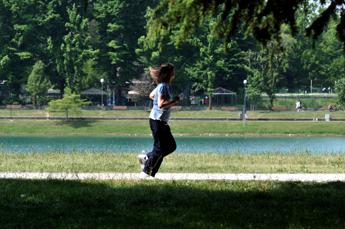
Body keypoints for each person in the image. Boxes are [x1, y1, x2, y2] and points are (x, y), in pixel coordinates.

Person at [138, 63, 179, 178]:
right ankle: (146, 172)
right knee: (160, 148)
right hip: (157, 120)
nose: (174, 73)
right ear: (168, 73)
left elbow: (151, 95)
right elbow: (161, 104)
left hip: (160, 121)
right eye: (172, 71)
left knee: (171, 146)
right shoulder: (163, 87)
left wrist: (163, 100)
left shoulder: (162, 86)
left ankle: (147, 157)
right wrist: (173, 102)